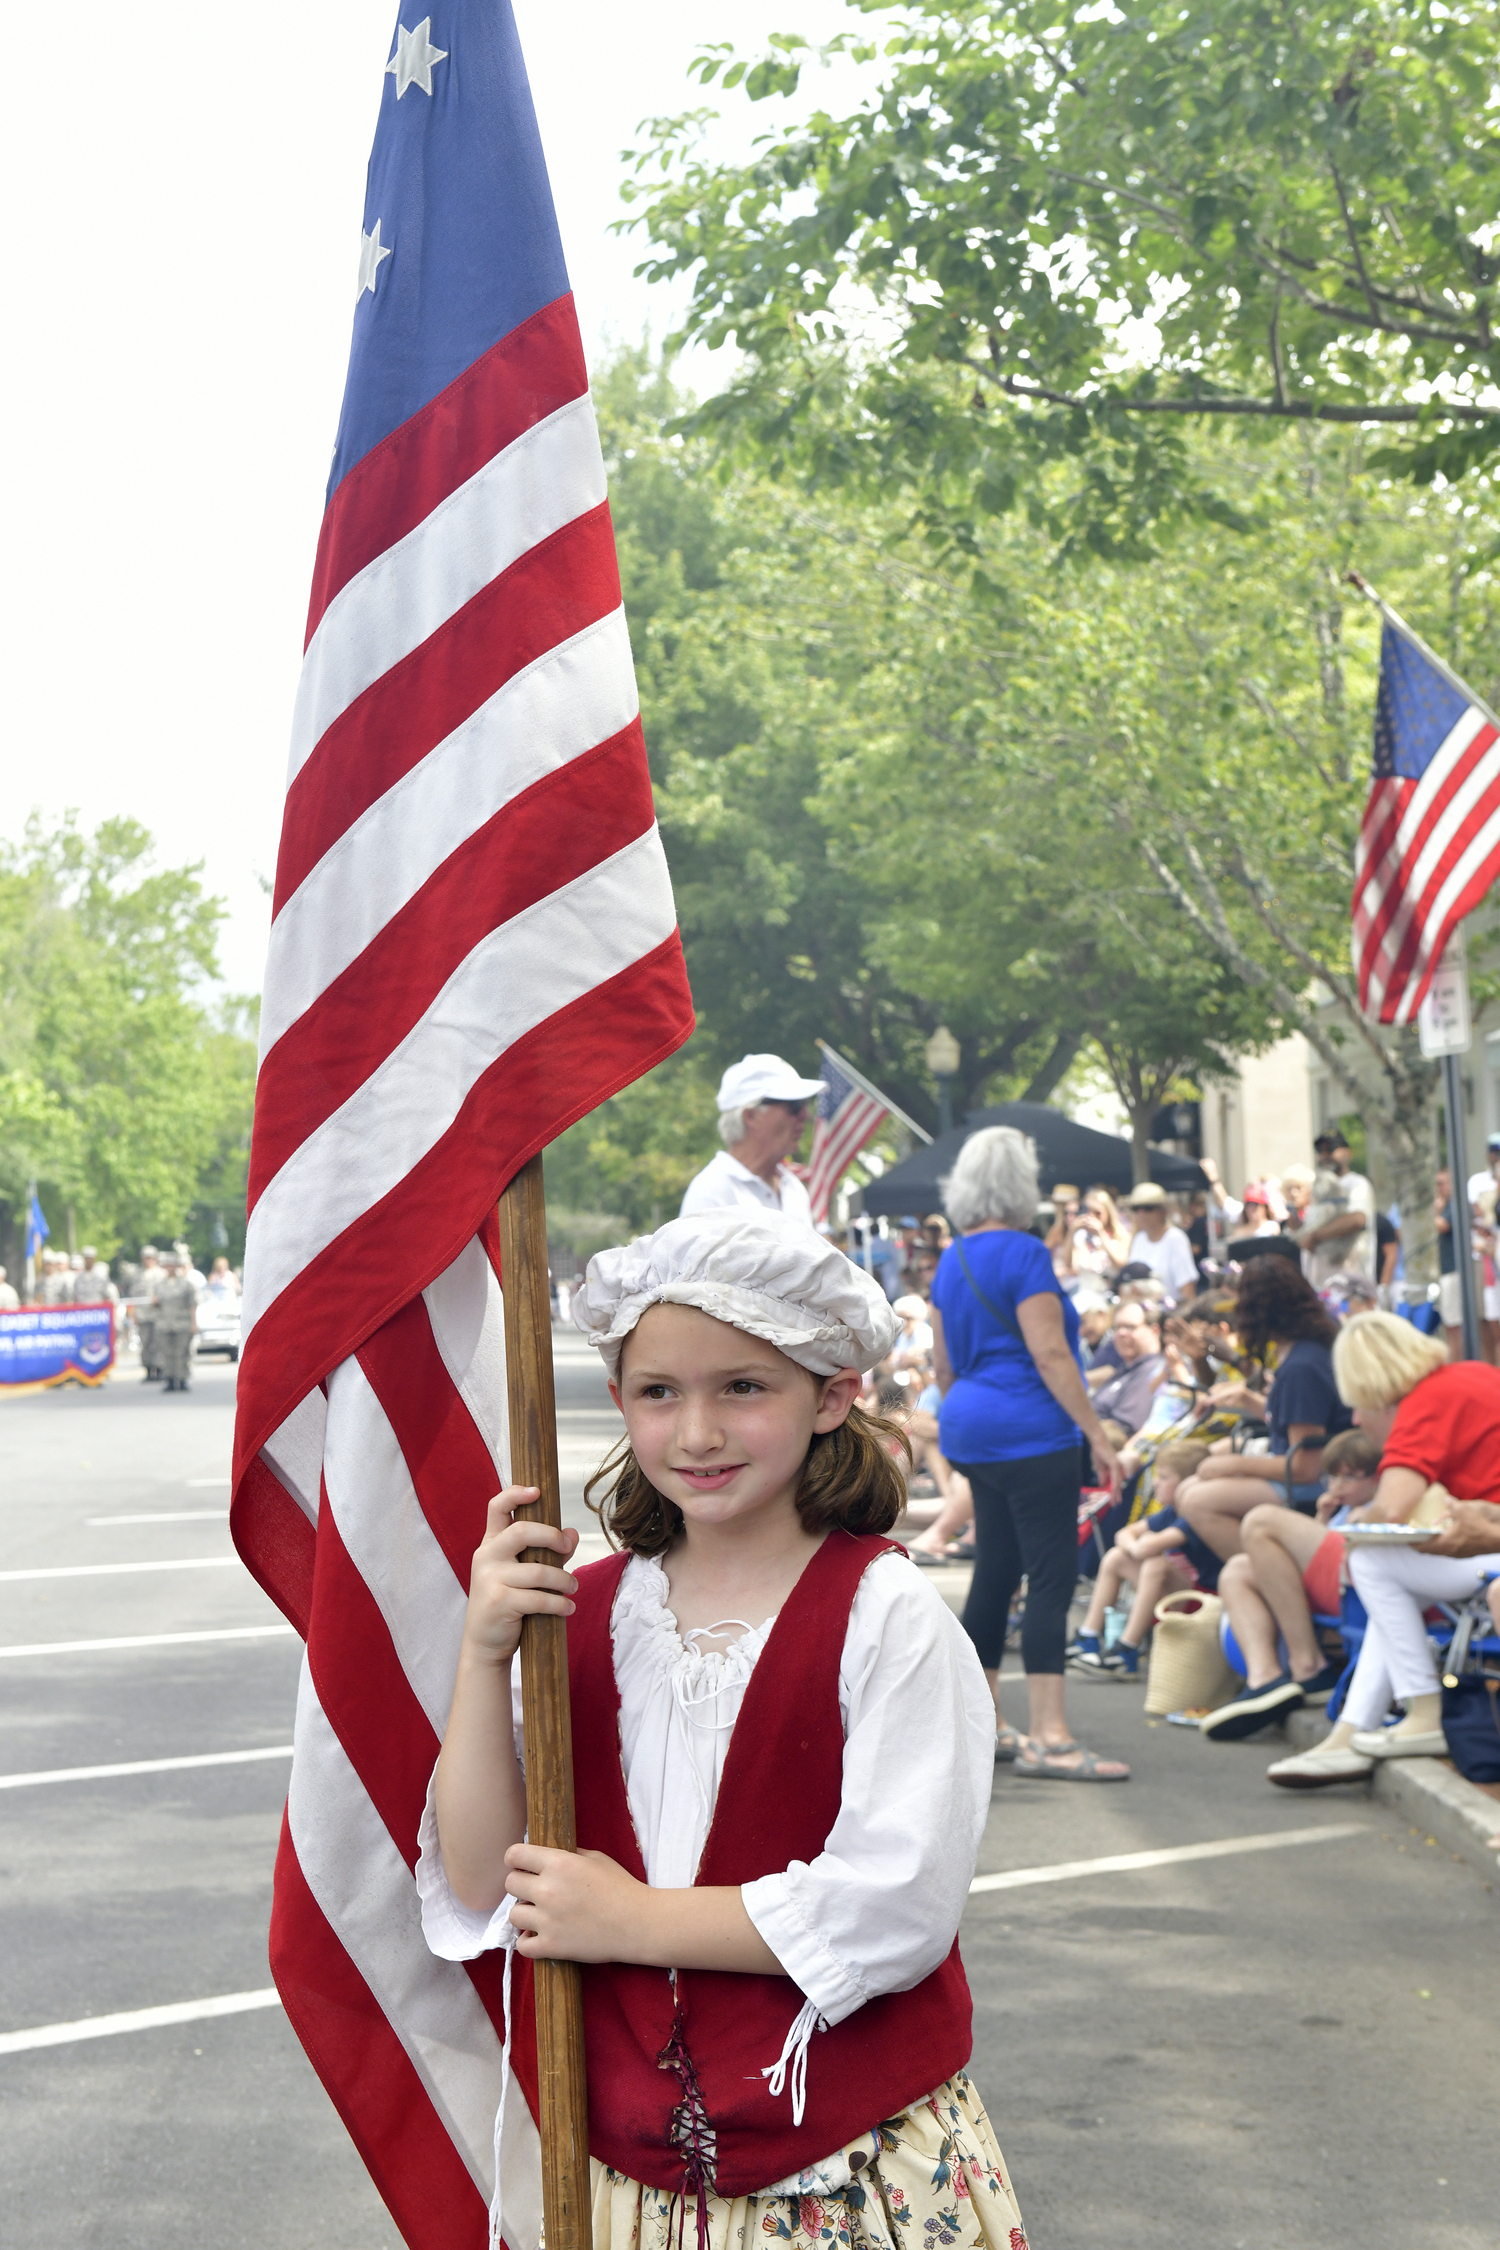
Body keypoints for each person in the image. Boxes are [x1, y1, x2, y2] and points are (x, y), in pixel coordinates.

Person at [419, 1209, 1030, 2250]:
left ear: (833, 1394)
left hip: (846, 2171)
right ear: (620, 1401)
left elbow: (898, 1902)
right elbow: (482, 1880)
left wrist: (629, 1921)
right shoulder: (579, 1609)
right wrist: (484, 1656)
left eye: (742, 1387)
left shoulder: (889, 1615)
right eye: (660, 1393)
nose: (696, 1432)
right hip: (625, 2180)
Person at [928, 1126, 1127, 1781]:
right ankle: (1051, 1734)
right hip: (1031, 1429)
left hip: (971, 1426)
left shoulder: (951, 1260)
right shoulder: (1025, 1255)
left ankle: (986, 1719)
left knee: (996, 1568)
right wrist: (1098, 1436)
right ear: (1022, 1183)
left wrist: (966, 1420)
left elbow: (944, 1364)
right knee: (1050, 1576)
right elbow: (1050, 1353)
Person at [1267, 1312, 1500, 1786]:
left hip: (1488, 1546)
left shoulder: (1425, 1401)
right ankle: (1351, 1733)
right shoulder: (1470, 1375)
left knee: (1371, 1560)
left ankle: (1421, 1708)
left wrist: (1353, 1521)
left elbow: (1389, 1511)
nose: (1354, 1416)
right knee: (1390, 1590)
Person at [1203, 1427, 1382, 1742]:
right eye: (1332, 1478)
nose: (1338, 1487)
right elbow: (1311, 1555)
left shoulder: (1375, 1508)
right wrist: (1323, 1518)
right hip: (1331, 1584)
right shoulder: (1341, 1509)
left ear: (1377, 1478)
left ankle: (1306, 1663)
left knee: (1261, 1520)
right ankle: (1264, 1678)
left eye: (1350, 1478)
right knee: (1236, 1571)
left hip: (1357, 1588)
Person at [1176, 1257, 1351, 1563]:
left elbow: (1305, 1468)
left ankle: (1273, 1578)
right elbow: (1290, 1423)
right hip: (1297, 1468)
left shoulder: (1302, 1367)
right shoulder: (1303, 1348)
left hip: (1319, 1481)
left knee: (1197, 1501)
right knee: (1188, 1487)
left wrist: (1235, 1465)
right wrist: (1247, 1398)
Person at [1067, 1440, 1213, 1677]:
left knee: (1155, 1564)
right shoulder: (1170, 1512)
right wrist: (1136, 1549)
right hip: (1177, 1596)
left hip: (1203, 1602)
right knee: (1116, 1557)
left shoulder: (1195, 1516)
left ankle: (1128, 1648)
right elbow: (1124, 1534)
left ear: (1188, 1484)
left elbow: (1152, 1546)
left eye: (1164, 1477)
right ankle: (1089, 1636)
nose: (1156, 1482)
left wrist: (1140, 1549)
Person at [680, 1055, 825, 1224]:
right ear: (751, 1116)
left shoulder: (792, 1188)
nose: (805, 1115)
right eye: (794, 1106)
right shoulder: (710, 1194)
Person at [1294, 1131, 1376, 1285]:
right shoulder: (1318, 1187)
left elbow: (1357, 1219)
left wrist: (1314, 1237)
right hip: (1319, 1285)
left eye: (1330, 1150)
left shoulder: (1356, 1183)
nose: (1324, 1155)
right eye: (1320, 1151)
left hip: (1349, 1285)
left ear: (1347, 1153)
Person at [1088, 1305, 1166, 1437]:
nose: (1121, 1333)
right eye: (1117, 1328)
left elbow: (1123, 1429)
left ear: (1154, 1331)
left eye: (1130, 1327)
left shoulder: (1152, 1370)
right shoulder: (1127, 1367)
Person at [1122, 1183, 1198, 1300]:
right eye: (1136, 1209)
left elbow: (1188, 1291)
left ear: (1163, 1211)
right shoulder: (1139, 1239)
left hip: (1168, 1313)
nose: (1141, 1214)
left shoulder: (1175, 1238)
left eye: (1148, 1208)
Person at [153, 1250, 199, 1393]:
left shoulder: (186, 1284)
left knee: (182, 1353)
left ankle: (182, 1379)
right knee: (166, 1353)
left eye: (173, 1265)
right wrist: (154, 1303)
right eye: (167, 1265)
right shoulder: (159, 1285)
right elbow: (155, 1303)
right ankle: (170, 1379)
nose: (170, 1268)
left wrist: (194, 1323)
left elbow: (193, 1305)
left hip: (182, 1323)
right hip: (164, 1323)